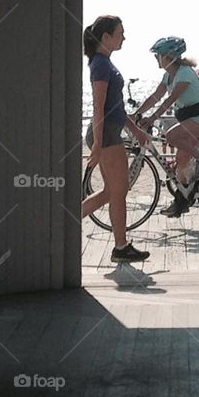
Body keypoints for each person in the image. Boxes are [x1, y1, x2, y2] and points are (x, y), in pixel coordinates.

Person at [79, 15, 151, 263]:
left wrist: (136, 130)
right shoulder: (100, 64)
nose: (124, 37)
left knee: (113, 191)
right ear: (105, 37)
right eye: (120, 32)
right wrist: (98, 145)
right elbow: (98, 107)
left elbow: (116, 108)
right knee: (119, 191)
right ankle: (121, 246)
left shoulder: (105, 63)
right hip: (106, 134)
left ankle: (67, 222)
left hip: (110, 130)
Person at [135, 36, 199, 217]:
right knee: (180, 168)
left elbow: (169, 100)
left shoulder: (184, 73)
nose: (156, 59)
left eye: (157, 55)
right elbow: (155, 96)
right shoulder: (169, 75)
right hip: (192, 119)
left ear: (169, 56)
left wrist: (152, 118)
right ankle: (182, 201)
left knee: (171, 136)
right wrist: (137, 113)